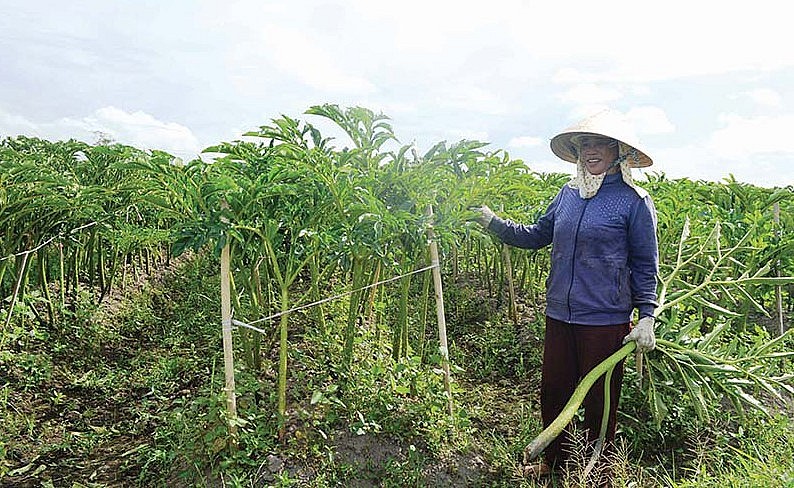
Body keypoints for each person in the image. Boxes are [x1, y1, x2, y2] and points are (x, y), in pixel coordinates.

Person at [472, 109, 659, 477]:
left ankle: (598, 474)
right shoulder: (568, 195)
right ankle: (554, 464)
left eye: (599, 144)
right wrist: (494, 223)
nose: (590, 151)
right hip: (559, 313)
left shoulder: (634, 202)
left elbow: (644, 263)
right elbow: (536, 235)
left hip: (605, 321)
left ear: (618, 151)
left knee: (599, 403)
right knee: (555, 392)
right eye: (583, 144)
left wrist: (648, 315)